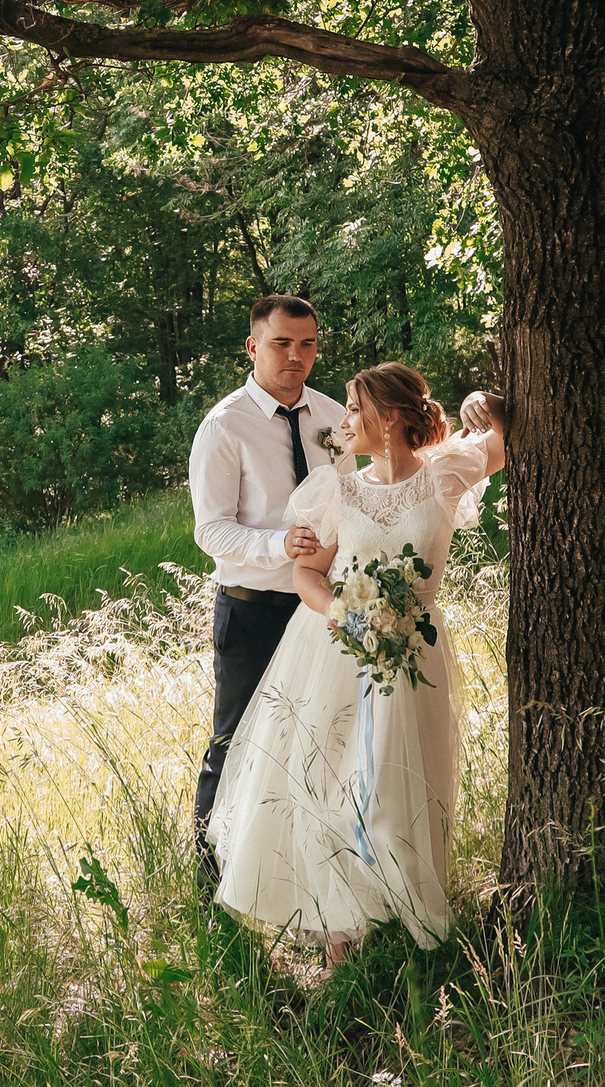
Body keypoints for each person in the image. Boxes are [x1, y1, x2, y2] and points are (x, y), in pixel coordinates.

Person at [206, 362, 506, 954]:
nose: (342, 421)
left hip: (414, 651)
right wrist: (344, 613)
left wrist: (483, 399)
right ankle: (340, 936)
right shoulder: (336, 489)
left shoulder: (446, 474)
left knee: (401, 783)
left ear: (388, 418)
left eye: (353, 408)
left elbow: (505, 433)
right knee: (328, 786)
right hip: (336, 650)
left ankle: (407, 914)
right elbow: (307, 574)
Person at [189, 295, 345, 881]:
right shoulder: (224, 426)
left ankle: (297, 878)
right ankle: (212, 878)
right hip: (252, 611)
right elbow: (211, 529)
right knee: (235, 741)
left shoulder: (335, 417)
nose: (295, 356)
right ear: (254, 347)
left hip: (321, 609)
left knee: (319, 739)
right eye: (281, 343)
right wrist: (280, 545)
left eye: (307, 344)